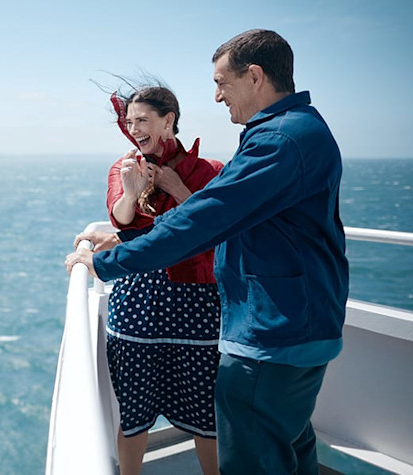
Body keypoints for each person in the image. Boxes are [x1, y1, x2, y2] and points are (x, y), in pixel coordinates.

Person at [65, 29, 348, 474]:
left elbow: (205, 219)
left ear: (254, 77)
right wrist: (123, 237)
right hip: (298, 323)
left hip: (273, 332)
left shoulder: (279, 141)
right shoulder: (292, 130)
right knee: (289, 450)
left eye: (222, 82)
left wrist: (106, 262)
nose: (217, 97)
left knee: (254, 459)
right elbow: (223, 213)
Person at [100, 83, 224, 475]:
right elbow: (120, 219)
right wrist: (132, 190)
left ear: (168, 120)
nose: (135, 129)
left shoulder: (211, 171)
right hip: (137, 302)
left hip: (197, 303)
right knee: (133, 412)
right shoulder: (125, 166)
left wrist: (178, 189)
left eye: (144, 120)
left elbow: (215, 228)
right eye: (130, 121)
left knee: (207, 414)